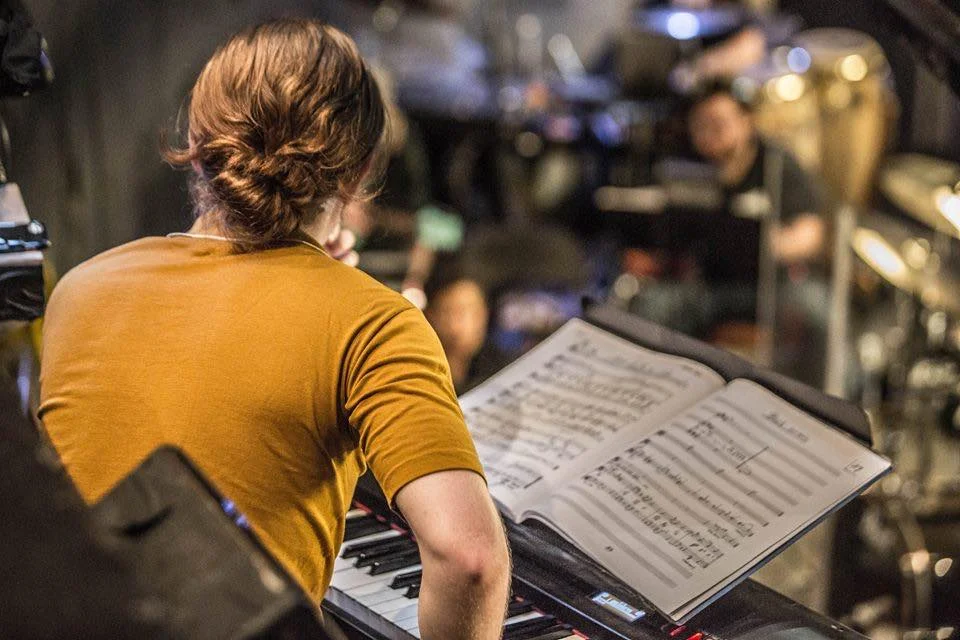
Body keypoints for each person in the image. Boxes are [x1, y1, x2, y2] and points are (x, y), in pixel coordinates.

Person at [37, 19, 510, 639]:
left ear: (198, 144)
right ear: (363, 170)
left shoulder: (81, 289)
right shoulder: (373, 324)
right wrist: (338, 294)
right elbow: (470, 560)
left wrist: (319, 280)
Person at [631, 80, 827, 350]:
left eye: (720, 124)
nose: (710, 136)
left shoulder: (775, 163)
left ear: (746, 120)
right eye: (701, 127)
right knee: (653, 305)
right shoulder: (687, 167)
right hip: (710, 285)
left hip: (770, 288)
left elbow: (810, 232)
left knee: (817, 309)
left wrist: (772, 244)